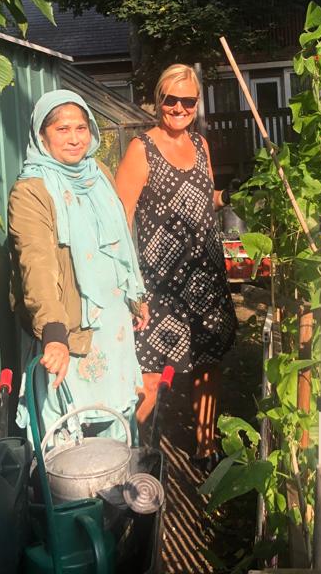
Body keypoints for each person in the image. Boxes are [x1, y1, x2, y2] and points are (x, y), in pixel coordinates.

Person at [8, 90, 148, 443]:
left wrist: (135, 295)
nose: (74, 138)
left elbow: (119, 240)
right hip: (71, 329)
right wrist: (53, 334)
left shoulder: (98, 173)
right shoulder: (31, 191)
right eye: (62, 129)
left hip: (113, 324)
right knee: (70, 430)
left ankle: (120, 475)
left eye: (81, 128)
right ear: (42, 135)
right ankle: (66, 481)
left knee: (118, 419)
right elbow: (36, 265)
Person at [115, 64, 237, 469]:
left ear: (197, 103)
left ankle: (206, 447)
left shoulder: (201, 145)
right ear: (158, 100)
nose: (180, 108)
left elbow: (203, 196)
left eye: (189, 101)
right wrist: (130, 285)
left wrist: (228, 196)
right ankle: (130, 454)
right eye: (172, 99)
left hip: (206, 277)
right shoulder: (141, 149)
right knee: (150, 373)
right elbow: (121, 217)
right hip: (159, 284)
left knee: (207, 363)